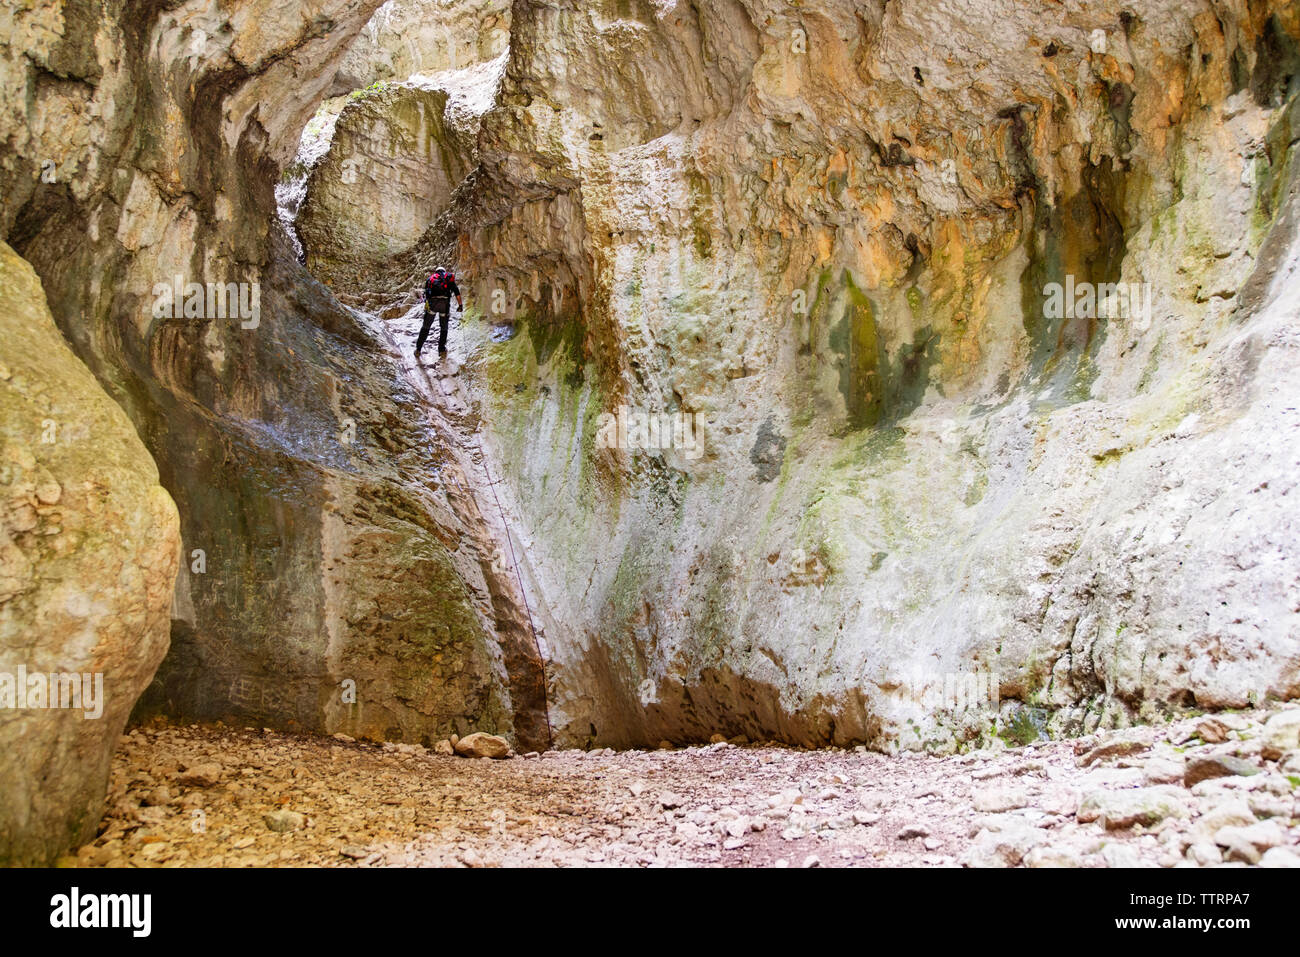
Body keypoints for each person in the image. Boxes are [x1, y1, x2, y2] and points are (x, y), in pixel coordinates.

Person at [417, 267, 463, 359]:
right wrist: (460, 305)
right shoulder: (448, 278)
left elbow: (426, 294)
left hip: (432, 304)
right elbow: (457, 292)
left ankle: (418, 349)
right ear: (444, 271)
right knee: (444, 327)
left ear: (436, 272)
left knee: (426, 326)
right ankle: (441, 349)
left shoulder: (430, 279)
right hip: (444, 305)